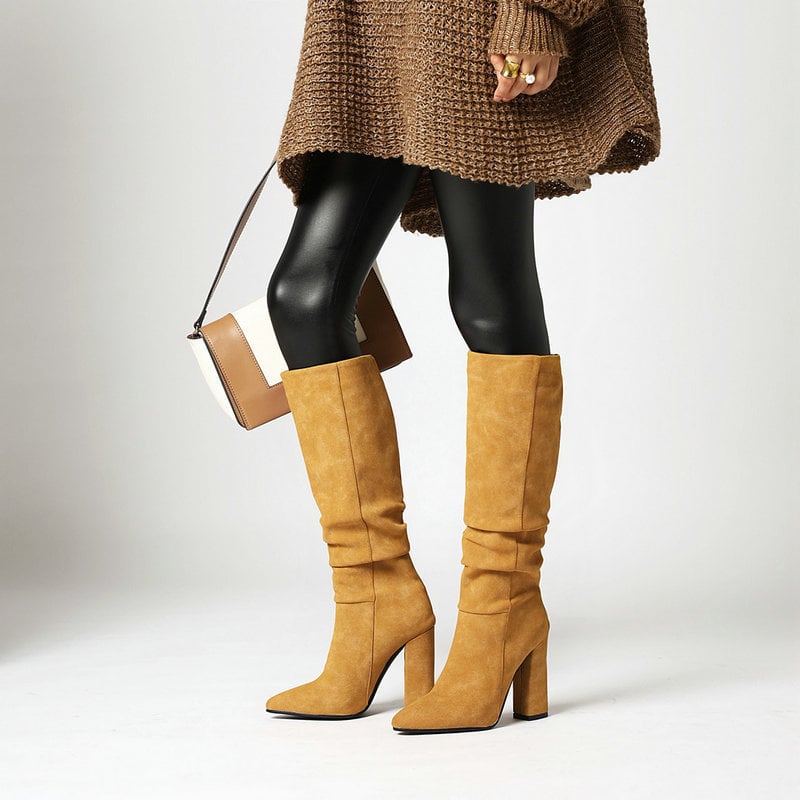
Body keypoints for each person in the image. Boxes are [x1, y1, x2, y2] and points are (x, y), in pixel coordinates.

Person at [263, 0, 660, 734]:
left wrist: (536, 13)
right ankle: (375, 599)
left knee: (488, 298)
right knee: (302, 297)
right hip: (367, 28)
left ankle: (502, 610)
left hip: (474, 25)